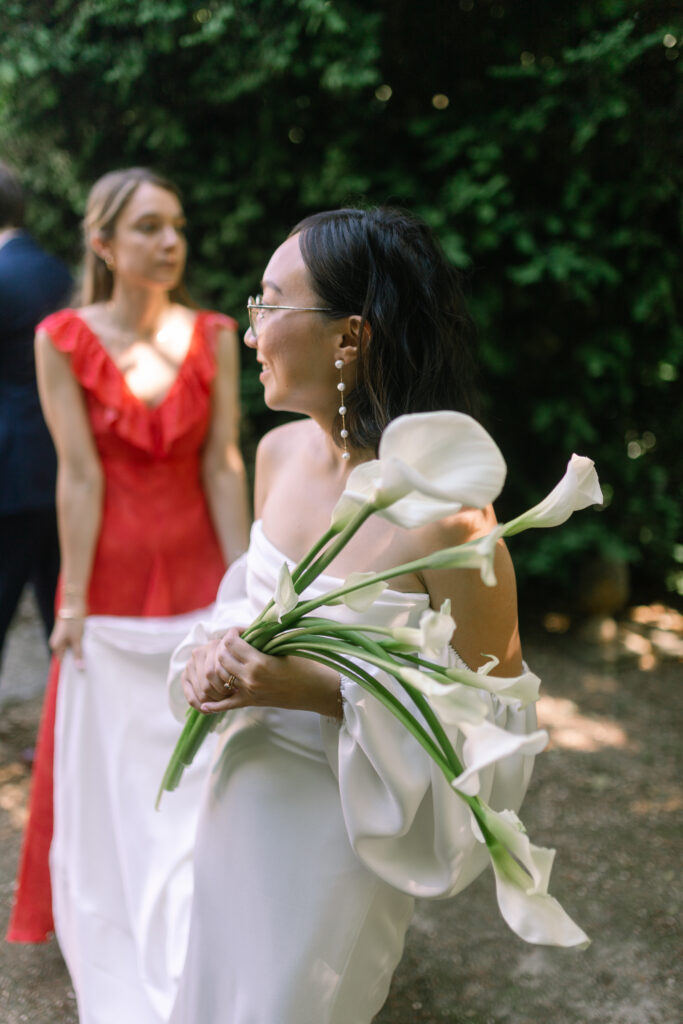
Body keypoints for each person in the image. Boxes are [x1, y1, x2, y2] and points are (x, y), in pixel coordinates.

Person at [166, 207, 538, 1024]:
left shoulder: (449, 523)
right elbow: (247, 603)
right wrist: (210, 655)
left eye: (269, 304)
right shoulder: (274, 455)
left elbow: (493, 733)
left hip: (341, 831)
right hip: (240, 792)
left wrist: (322, 692)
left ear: (348, 336)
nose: (250, 329)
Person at [7, 167, 250, 1024]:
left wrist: (249, 584)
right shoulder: (60, 337)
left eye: (177, 224)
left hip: (195, 574)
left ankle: (200, 928)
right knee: (121, 765)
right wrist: (70, 600)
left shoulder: (217, 333)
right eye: (148, 227)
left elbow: (223, 464)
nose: (171, 241)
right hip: (109, 583)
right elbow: (76, 476)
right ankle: (122, 921)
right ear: (103, 243)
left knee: (205, 758)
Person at [0, 161, 72, 666]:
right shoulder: (58, 270)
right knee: (58, 610)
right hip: (65, 462)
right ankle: (62, 736)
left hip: (9, 471)